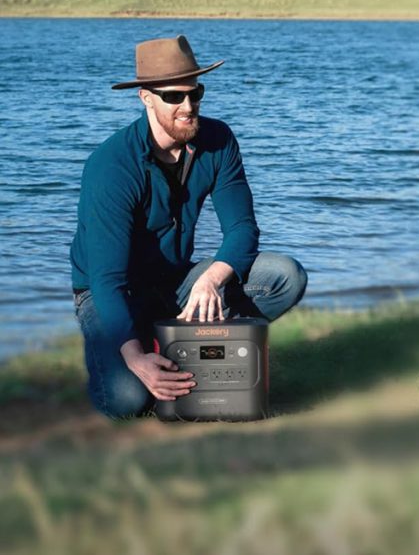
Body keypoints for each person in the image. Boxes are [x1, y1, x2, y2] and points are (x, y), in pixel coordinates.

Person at [70, 35, 307, 419]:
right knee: (126, 399)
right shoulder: (110, 166)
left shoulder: (218, 140)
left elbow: (243, 229)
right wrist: (134, 357)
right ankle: (154, 350)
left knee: (284, 276)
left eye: (195, 93)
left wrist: (212, 278)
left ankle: (197, 354)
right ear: (145, 97)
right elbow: (106, 278)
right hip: (110, 291)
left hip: (175, 279)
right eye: (174, 97)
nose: (188, 106)